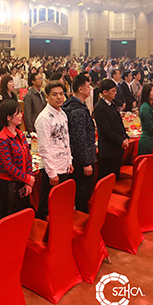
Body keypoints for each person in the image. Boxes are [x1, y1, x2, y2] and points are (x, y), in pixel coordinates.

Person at [0, 99, 35, 230]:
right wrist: (27, 178)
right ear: (9, 118)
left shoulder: (20, 134)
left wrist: (28, 181)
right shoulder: (2, 139)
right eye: (18, 113)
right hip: (8, 188)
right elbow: (8, 166)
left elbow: (28, 157)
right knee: (8, 226)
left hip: (22, 184)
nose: (21, 115)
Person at [34, 81, 72, 219]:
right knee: (47, 206)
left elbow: (66, 139)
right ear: (47, 96)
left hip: (63, 164)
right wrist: (52, 173)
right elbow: (44, 148)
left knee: (59, 203)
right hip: (52, 169)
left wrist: (69, 161)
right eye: (55, 94)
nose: (59, 97)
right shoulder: (44, 118)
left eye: (61, 94)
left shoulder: (62, 114)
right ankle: (43, 229)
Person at [63, 73, 96, 213]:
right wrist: (85, 162)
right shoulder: (77, 110)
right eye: (88, 86)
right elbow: (79, 138)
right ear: (80, 89)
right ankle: (82, 217)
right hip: (80, 159)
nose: (90, 89)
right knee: (82, 191)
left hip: (77, 156)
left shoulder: (75, 105)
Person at [93, 79, 129, 181]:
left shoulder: (111, 104)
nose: (115, 93)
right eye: (113, 91)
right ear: (105, 92)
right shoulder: (100, 107)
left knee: (115, 176)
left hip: (117, 148)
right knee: (106, 178)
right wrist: (120, 141)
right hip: (108, 149)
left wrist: (125, 137)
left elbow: (119, 123)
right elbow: (105, 129)